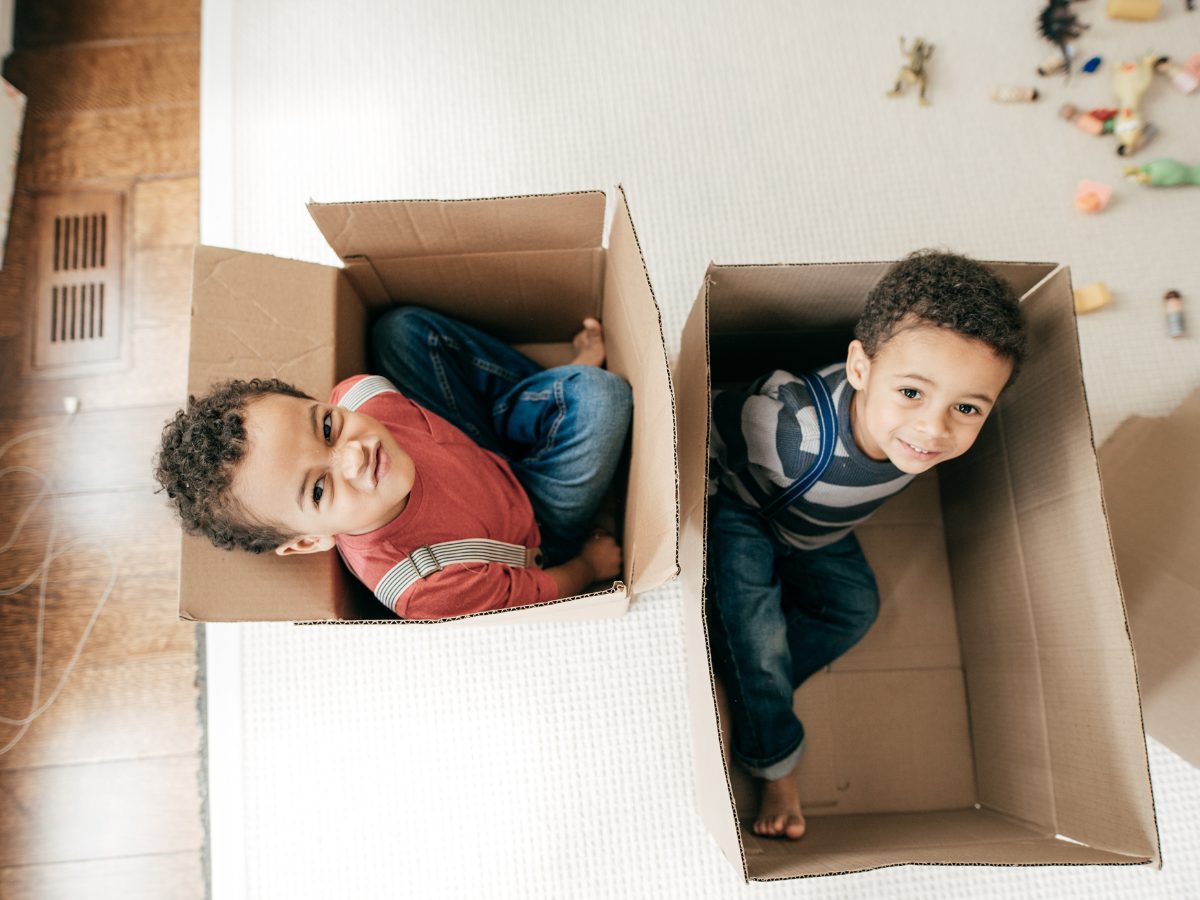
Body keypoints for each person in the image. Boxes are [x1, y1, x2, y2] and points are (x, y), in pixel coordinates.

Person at [707, 250, 1026, 840]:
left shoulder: (917, 439)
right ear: (860, 367)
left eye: (966, 408)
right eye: (911, 393)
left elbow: (932, 420)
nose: (934, 429)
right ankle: (775, 760)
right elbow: (707, 429)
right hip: (741, 516)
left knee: (855, 610)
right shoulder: (786, 432)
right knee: (754, 627)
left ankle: (754, 691)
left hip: (815, 532)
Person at [154, 306, 632, 620]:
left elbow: (363, 399)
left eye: (325, 428)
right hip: (532, 528)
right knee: (601, 400)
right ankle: (568, 387)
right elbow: (537, 591)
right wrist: (588, 568)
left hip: (472, 445)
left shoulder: (363, 398)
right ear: (307, 541)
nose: (356, 455)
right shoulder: (423, 583)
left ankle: (550, 387)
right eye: (319, 489)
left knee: (400, 332)